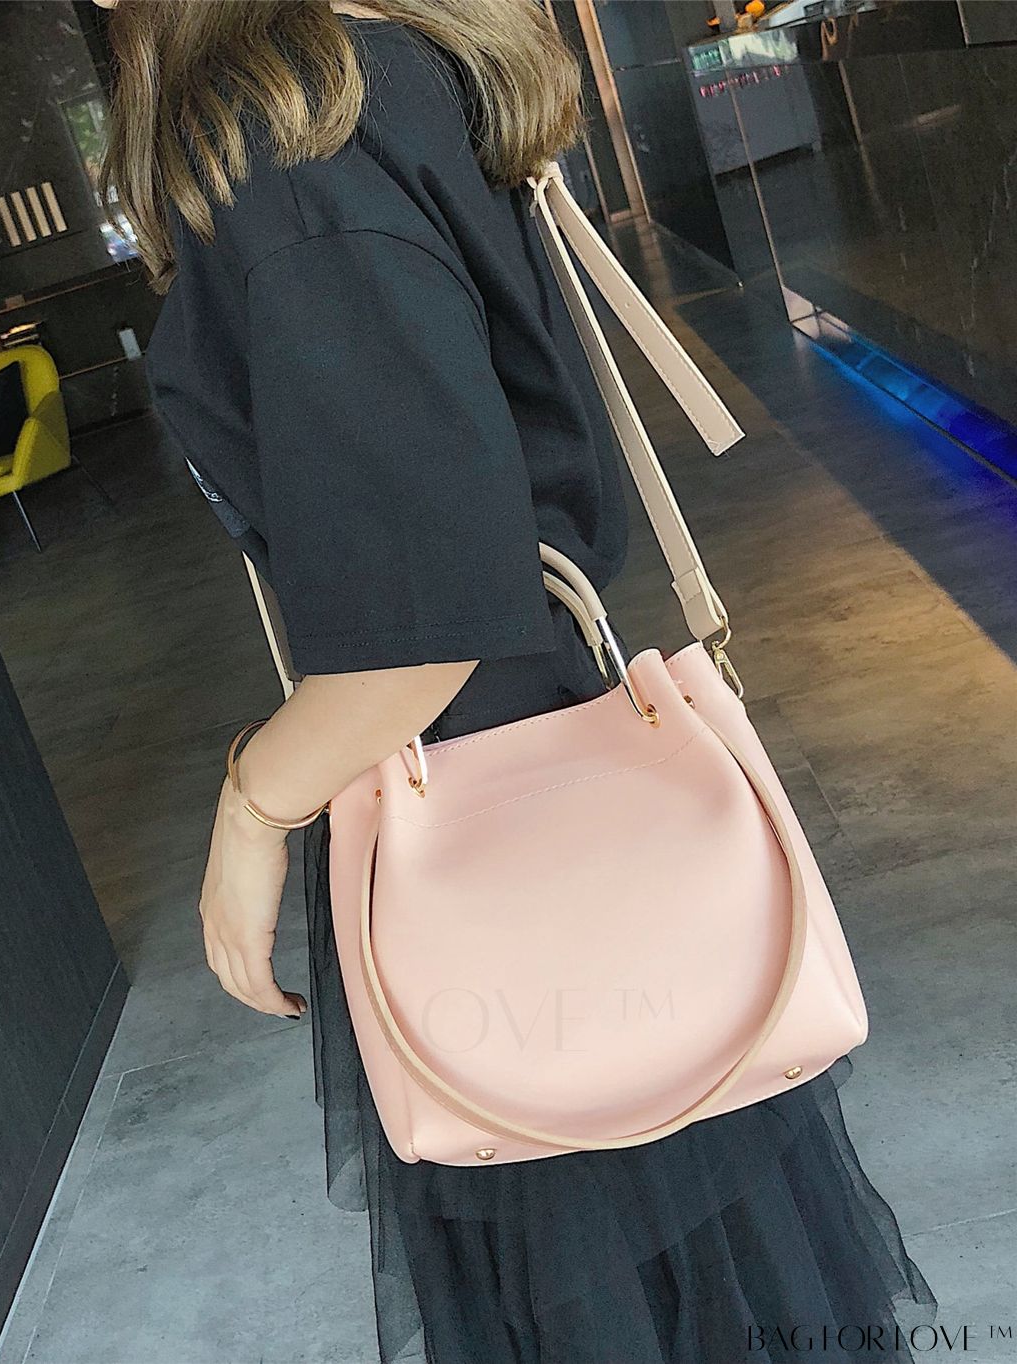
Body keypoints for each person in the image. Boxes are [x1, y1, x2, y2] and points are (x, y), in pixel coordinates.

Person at [95, 1, 937, 1360]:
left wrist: (251, 813)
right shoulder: (398, 59)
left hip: (481, 818)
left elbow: (420, 626)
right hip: (572, 773)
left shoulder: (296, 128)